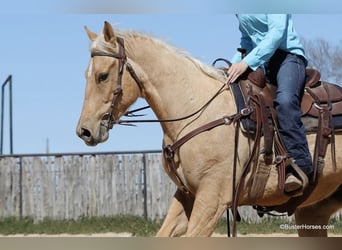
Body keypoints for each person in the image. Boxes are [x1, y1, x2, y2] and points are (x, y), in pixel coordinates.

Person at [227, 14, 313, 194]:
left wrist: (246, 63)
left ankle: (301, 167)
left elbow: (276, 34)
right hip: (262, 62)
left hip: (288, 59)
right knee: (237, 98)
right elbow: (246, 40)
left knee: (285, 101)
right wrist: (231, 68)